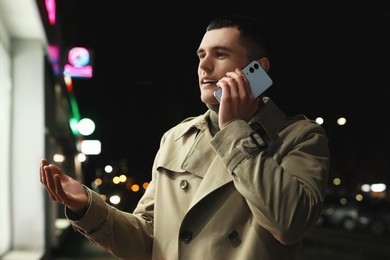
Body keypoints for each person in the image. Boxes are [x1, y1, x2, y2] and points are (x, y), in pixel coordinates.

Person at [40, 14, 330, 260]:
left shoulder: (300, 137)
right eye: (201, 56)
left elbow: (290, 223)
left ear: (257, 71)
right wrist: (88, 207)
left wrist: (235, 129)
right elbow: (149, 238)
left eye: (220, 54)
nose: (204, 67)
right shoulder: (177, 137)